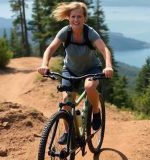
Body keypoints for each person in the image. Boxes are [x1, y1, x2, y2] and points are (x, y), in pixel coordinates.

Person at [37, 2, 113, 145]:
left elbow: (104, 50)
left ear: (84, 18)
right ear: (68, 18)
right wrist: (44, 64)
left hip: (91, 69)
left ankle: (96, 112)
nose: (76, 20)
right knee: (66, 100)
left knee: (89, 87)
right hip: (70, 70)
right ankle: (68, 132)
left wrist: (108, 66)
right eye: (73, 16)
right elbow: (50, 49)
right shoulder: (65, 32)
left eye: (79, 16)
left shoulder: (90, 33)